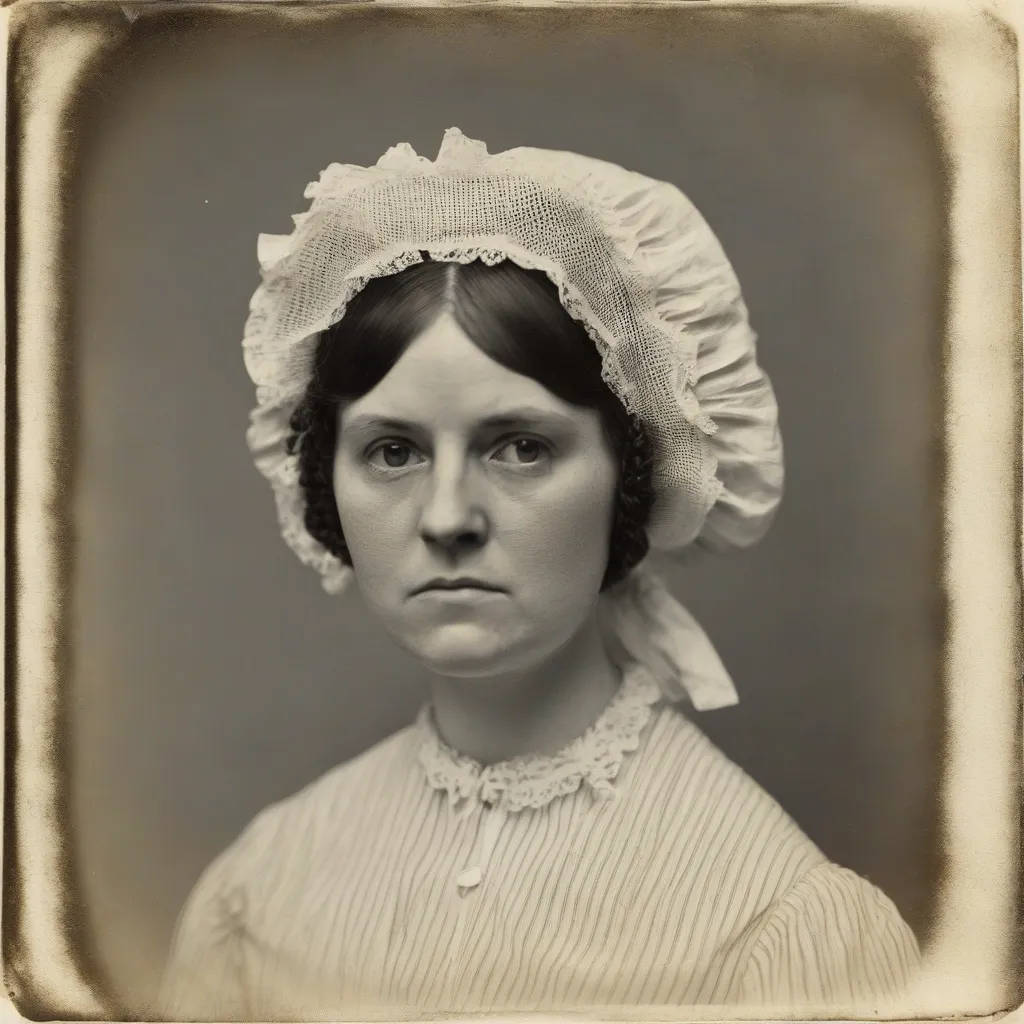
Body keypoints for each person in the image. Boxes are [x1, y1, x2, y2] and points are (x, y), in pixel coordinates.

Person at [158, 129, 921, 1020]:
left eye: (522, 447)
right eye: (392, 450)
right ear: (325, 478)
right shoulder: (260, 891)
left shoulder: (781, 930)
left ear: (633, 475)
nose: (447, 518)